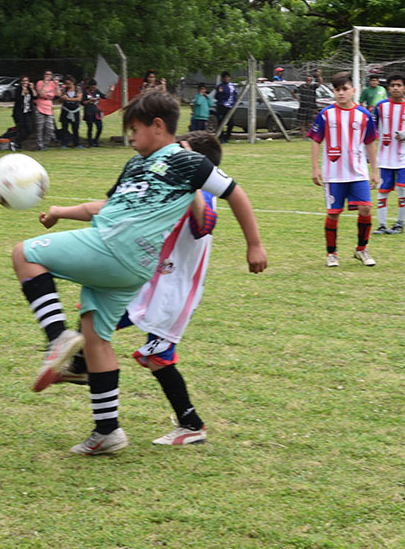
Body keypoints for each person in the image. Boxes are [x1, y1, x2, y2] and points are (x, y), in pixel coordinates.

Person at [14, 91, 267, 454]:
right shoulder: (138, 166)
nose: (129, 136)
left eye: (134, 129)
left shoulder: (188, 171)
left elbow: (211, 218)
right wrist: (61, 211)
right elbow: (107, 205)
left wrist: (253, 243)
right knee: (96, 336)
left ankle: (59, 341)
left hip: (154, 276)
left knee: (24, 254)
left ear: (158, 127)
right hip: (141, 275)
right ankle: (106, 430)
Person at [56, 131, 226, 446]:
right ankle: (81, 367)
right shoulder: (172, 186)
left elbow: (205, 225)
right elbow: (111, 208)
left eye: (180, 152)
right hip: (150, 283)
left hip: (173, 294)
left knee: (157, 358)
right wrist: (62, 212)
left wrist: (193, 181)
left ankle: (192, 425)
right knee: (94, 316)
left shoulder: (203, 194)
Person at [309, 71, 378, 267]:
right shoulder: (326, 114)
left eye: (345, 89)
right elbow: (316, 140)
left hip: (358, 172)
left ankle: (361, 249)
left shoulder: (364, 115)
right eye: (337, 89)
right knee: (333, 213)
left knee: (365, 208)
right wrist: (315, 168)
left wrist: (374, 171)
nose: (341, 93)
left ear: (353, 90)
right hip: (333, 174)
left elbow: (370, 142)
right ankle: (331, 254)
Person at [372, 74, 405, 235]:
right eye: (393, 85)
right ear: (388, 88)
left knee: (402, 187)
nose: (395, 88)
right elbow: (372, 129)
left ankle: (399, 224)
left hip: (404, 156)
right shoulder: (380, 106)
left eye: (399, 85)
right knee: (383, 189)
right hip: (385, 156)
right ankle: (381, 225)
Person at [33, 70, 58, 150]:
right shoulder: (40, 83)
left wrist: (57, 85)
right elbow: (41, 94)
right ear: (43, 75)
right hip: (40, 106)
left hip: (49, 107)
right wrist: (45, 85)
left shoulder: (53, 84)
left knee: (50, 128)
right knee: (39, 128)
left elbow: (58, 94)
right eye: (46, 74)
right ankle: (40, 145)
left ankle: (45, 144)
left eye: (50, 74)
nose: (48, 76)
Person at [214, 72, 239, 143]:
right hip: (222, 106)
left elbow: (235, 95)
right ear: (223, 78)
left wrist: (234, 101)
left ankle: (227, 137)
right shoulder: (220, 86)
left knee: (231, 123)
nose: (227, 79)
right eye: (225, 77)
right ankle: (221, 137)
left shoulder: (232, 86)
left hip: (230, 107)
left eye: (228, 77)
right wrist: (220, 93)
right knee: (221, 122)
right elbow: (217, 97)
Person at [11, 76, 35, 148]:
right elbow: (18, 100)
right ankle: (17, 143)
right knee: (20, 129)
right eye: (23, 81)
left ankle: (17, 141)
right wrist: (23, 92)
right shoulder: (18, 89)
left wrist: (32, 88)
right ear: (21, 82)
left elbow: (35, 96)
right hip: (19, 113)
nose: (25, 82)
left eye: (26, 81)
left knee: (29, 129)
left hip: (27, 112)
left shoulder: (29, 89)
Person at [59, 75, 82, 148]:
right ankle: (64, 143)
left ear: (73, 82)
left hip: (75, 111)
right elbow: (60, 100)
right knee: (64, 127)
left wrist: (68, 99)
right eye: (66, 84)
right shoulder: (64, 90)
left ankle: (76, 143)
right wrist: (62, 98)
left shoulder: (77, 89)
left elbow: (79, 99)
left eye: (69, 84)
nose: (67, 85)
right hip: (65, 110)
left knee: (75, 128)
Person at [82, 78, 103, 147]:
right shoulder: (85, 92)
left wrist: (111, 90)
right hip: (89, 112)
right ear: (89, 86)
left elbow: (105, 96)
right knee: (90, 128)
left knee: (100, 127)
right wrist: (90, 100)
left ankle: (96, 140)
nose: (94, 88)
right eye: (92, 87)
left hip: (97, 113)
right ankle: (90, 142)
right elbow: (82, 102)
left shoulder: (97, 91)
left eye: (95, 87)